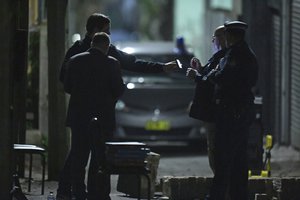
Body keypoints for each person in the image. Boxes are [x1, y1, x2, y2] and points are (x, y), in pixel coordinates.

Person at [57, 13, 178, 200]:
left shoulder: (77, 53)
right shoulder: (106, 52)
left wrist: (161, 67)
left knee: (79, 155)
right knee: (93, 157)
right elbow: (128, 73)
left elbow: (65, 82)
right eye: (107, 30)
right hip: (101, 113)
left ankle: (74, 193)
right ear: (96, 30)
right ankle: (88, 194)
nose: (111, 33)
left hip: (80, 112)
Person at [63, 32, 125, 200]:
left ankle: (78, 192)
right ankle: (96, 193)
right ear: (106, 46)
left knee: (78, 156)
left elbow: (67, 87)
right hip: (103, 118)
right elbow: (118, 90)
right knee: (100, 159)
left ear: (92, 44)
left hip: (79, 117)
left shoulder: (75, 60)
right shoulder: (112, 63)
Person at [204, 21, 258, 200]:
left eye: (226, 34)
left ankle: (219, 195)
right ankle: (237, 194)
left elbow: (222, 77)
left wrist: (212, 74)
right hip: (239, 111)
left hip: (232, 113)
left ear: (231, 35)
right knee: (238, 159)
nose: (224, 38)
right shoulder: (247, 52)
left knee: (225, 159)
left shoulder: (235, 54)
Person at [186, 25, 227, 174]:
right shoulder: (218, 57)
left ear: (223, 38)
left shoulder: (225, 57)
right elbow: (209, 76)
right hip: (211, 112)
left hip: (217, 112)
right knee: (213, 147)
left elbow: (214, 81)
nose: (214, 41)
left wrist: (196, 76)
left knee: (217, 149)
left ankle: (222, 188)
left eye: (215, 38)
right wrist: (201, 69)